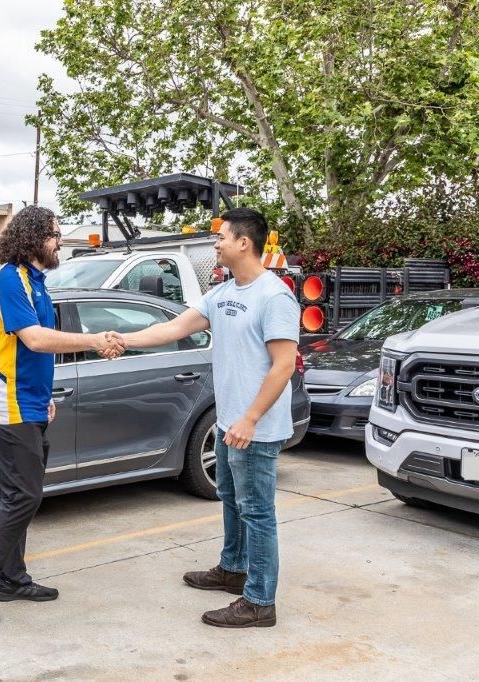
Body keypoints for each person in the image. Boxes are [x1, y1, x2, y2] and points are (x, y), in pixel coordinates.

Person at [120, 207, 300, 628]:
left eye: (221, 237)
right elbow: (174, 328)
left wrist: (250, 419)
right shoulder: (224, 292)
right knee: (232, 501)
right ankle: (233, 570)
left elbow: (283, 366)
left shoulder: (274, 296)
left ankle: (259, 602)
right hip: (229, 422)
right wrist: (120, 339)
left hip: (254, 427)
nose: (215, 244)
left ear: (244, 243)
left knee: (257, 511)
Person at [0, 205, 125, 625]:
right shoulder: (8, 278)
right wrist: (93, 340)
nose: (59, 240)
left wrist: (45, 394)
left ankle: (12, 579)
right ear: (33, 237)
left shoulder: (37, 282)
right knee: (24, 495)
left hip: (30, 402)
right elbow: (34, 339)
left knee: (19, 494)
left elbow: (32, 353)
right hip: (5, 403)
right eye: (54, 234)